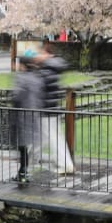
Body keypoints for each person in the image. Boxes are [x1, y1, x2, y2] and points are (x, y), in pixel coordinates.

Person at [30, 43, 75, 175]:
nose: (38, 56)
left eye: (40, 53)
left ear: (47, 54)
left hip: (46, 109)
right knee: (45, 136)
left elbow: (38, 88)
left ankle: (66, 165)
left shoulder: (46, 70)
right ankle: (32, 158)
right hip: (51, 108)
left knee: (54, 138)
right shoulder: (51, 68)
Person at [10, 48, 39, 183]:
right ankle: (23, 171)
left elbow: (17, 95)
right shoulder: (35, 78)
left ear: (21, 65)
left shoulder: (21, 78)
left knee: (22, 146)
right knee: (25, 146)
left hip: (21, 116)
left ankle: (23, 173)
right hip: (32, 114)